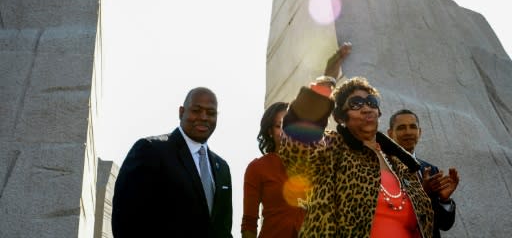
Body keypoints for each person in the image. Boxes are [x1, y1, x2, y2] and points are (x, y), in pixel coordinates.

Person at [279, 42, 434, 237]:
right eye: (356, 103)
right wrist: (326, 81)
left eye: (371, 103)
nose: (366, 108)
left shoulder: (400, 163)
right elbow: (295, 142)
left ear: (378, 111)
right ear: (340, 117)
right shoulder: (331, 149)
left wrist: (436, 199)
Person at [111, 87, 233, 237]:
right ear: (182, 112)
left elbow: (223, 229)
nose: (204, 117)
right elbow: (125, 218)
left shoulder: (222, 168)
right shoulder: (150, 150)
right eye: (196, 110)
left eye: (211, 113)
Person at [388, 109, 460, 238]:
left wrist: (445, 200)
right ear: (390, 133)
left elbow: (444, 225)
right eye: (401, 128)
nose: (408, 132)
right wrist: (422, 193)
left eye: (413, 127)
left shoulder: (431, 170)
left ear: (419, 132)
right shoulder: (384, 169)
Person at [241, 102, 306, 238]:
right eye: (279, 126)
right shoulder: (257, 168)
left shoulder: (316, 165)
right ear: (270, 132)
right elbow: (249, 223)